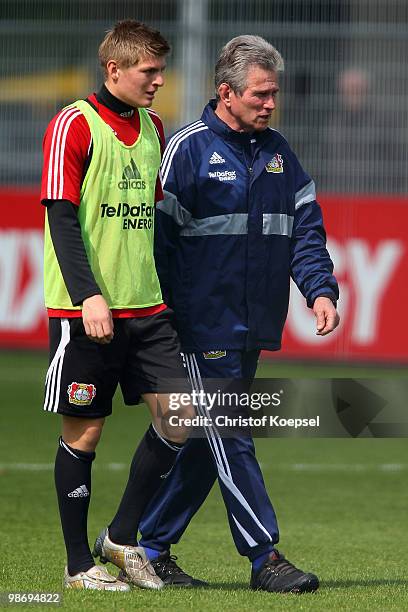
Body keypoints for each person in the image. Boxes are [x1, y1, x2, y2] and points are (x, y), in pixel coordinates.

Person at [137, 35, 340, 593]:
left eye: (274, 93)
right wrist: (165, 318)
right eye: (260, 93)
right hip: (198, 326)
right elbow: (156, 244)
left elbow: (305, 230)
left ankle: (143, 545)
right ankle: (264, 557)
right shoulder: (187, 151)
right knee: (230, 431)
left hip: (253, 323)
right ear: (226, 92)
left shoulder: (280, 153)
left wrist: (320, 290)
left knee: (207, 444)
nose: (270, 103)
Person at [41, 20, 195, 591]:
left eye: (161, 70)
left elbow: (144, 220)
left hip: (146, 308)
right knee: (85, 434)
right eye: (148, 71)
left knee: (178, 416)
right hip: (84, 311)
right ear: (114, 69)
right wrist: (89, 296)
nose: (159, 80)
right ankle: (79, 565)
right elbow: (61, 218)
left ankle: (122, 538)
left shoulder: (154, 128)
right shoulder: (73, 124)